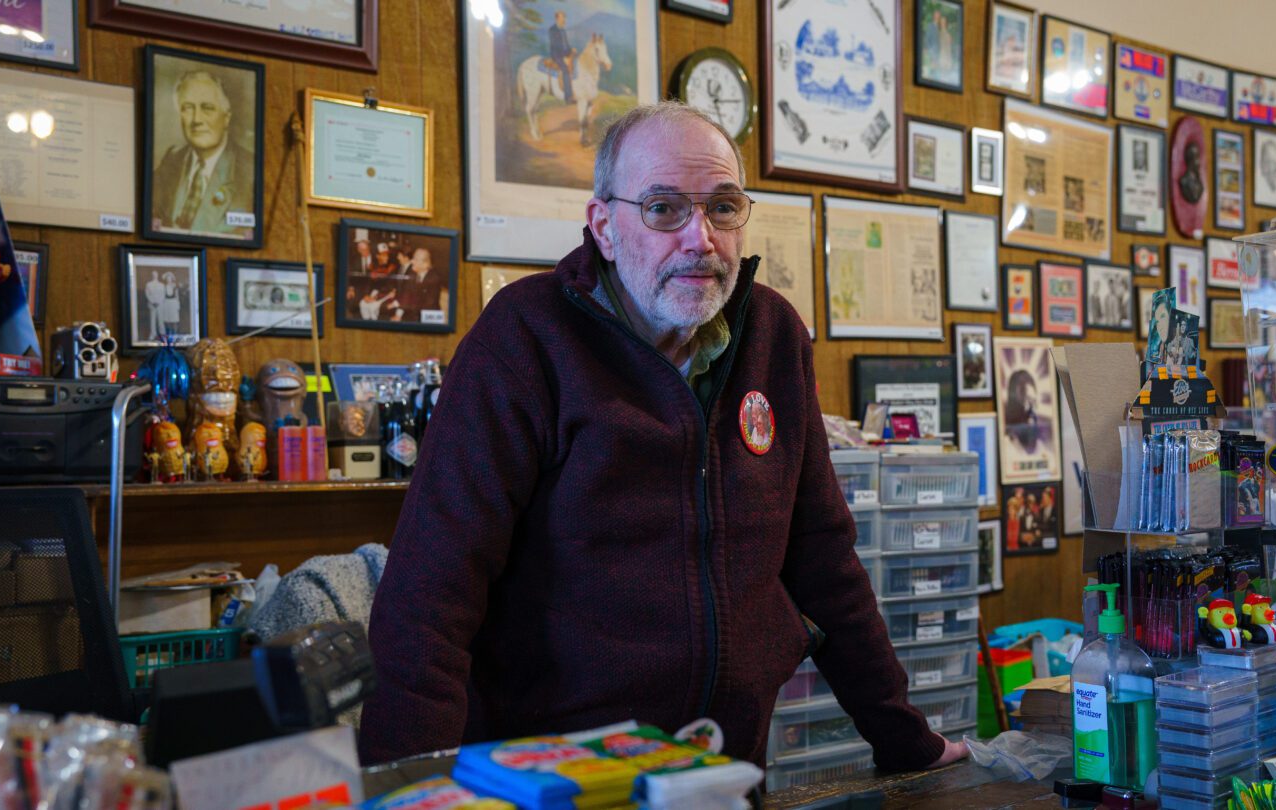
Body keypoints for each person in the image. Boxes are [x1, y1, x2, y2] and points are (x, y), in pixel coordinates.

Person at [360, 102, 966, 772]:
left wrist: (905, 739)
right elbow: (430, 596)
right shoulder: (525, 339)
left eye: (723, 207)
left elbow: (824, 557)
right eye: (663, 208)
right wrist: (409, 789)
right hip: (550, 777)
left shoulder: (774, 336)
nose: (700, 238)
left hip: (721, 773)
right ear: (605, 227)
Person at [151, 70, 253, 236]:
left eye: (207, 108)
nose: (197, 119)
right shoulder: (171, 161)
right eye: (188, 108)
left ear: (226, 117)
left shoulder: (249, 170)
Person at [393, 247, 446, 323]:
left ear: (425, 264)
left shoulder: (434, 279)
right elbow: (406, 295)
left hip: (429, 318)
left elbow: (428, 306)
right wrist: (398, 315)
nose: (411, 261)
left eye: (415, 259)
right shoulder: (412, 274)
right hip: (414, 315)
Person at [547, 10, 576, 102]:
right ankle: (568, 97)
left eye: (564, 17)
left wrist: (571, 50)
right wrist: (564, 56)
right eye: (562, 17)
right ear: (557, 18)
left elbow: (566, 45)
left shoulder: (563, 30)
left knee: (575, 64)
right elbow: (556, 46)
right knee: (565, 70)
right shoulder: (552, 30)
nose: (564, 19)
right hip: (557, 56)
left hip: (565, 54)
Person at [144, 270, 166, 339]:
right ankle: (153, 334)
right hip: (152, 304)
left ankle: (162, 334)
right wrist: (152, 301)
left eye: (155, 274)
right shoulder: (148, 284)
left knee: (160, 319)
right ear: (152, 275)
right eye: (153, 274)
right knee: (152, 320)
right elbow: (147, 294)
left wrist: (158, 302)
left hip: (160, 304)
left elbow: (163, 294)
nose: (154, 275)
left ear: (157, 275)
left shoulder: (161, 285)